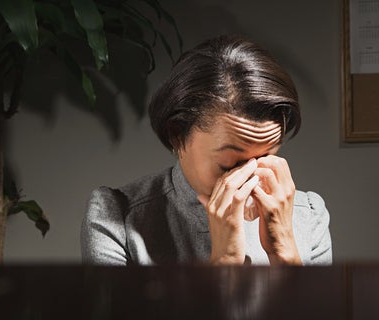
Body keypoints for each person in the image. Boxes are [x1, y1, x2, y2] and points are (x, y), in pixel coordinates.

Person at [81, 35, 332, 266]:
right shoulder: (117, 218)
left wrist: (284, 250)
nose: (248, 181)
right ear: (177, 136)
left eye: (265, 159)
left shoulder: (308, 214)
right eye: (229, 165)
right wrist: (225, 260)